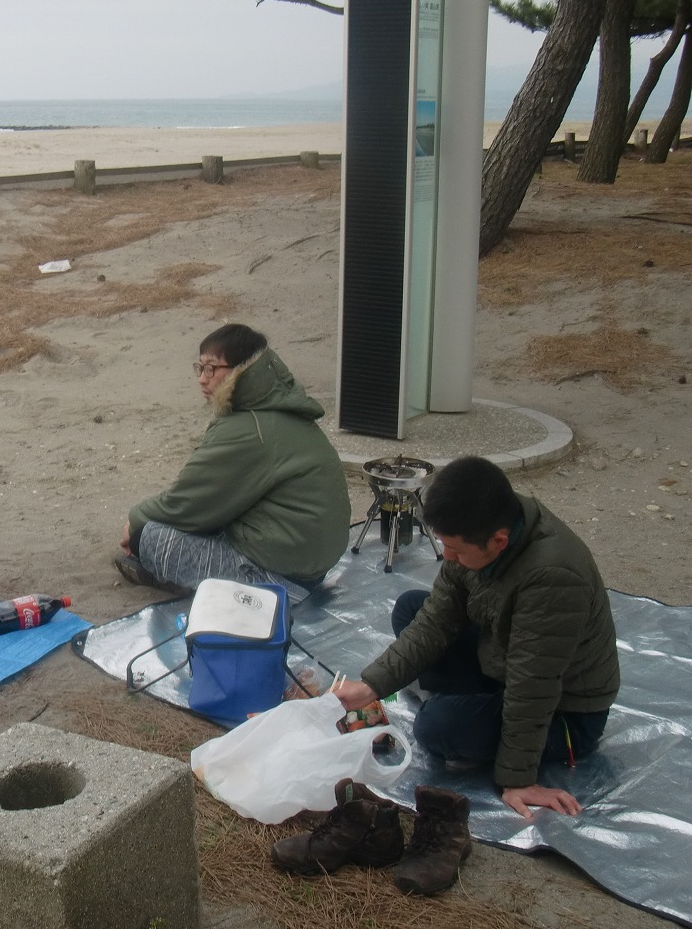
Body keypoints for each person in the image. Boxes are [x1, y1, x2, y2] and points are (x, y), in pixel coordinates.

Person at [333, 456, 620, 819]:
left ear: (498, 541)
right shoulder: (484, 523)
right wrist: (371, 686)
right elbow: (436, 619)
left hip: (564, 714)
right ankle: (468, 709)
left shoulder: (554, 577)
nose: (447, 557)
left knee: (435, 727)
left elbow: (533, 685)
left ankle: (464, 716)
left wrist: (517, 778)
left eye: (456, 549)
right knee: (410, 608)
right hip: (502, 656)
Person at [118, 324, 350, 601]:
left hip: (281, 576)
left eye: (211, 369)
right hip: (306, 564)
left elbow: (185, 503)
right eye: (200, 368)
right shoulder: (276, 414)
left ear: (241, 370)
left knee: (149, 537)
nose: (202, 379)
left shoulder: (248, 429)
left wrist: (135, 523)